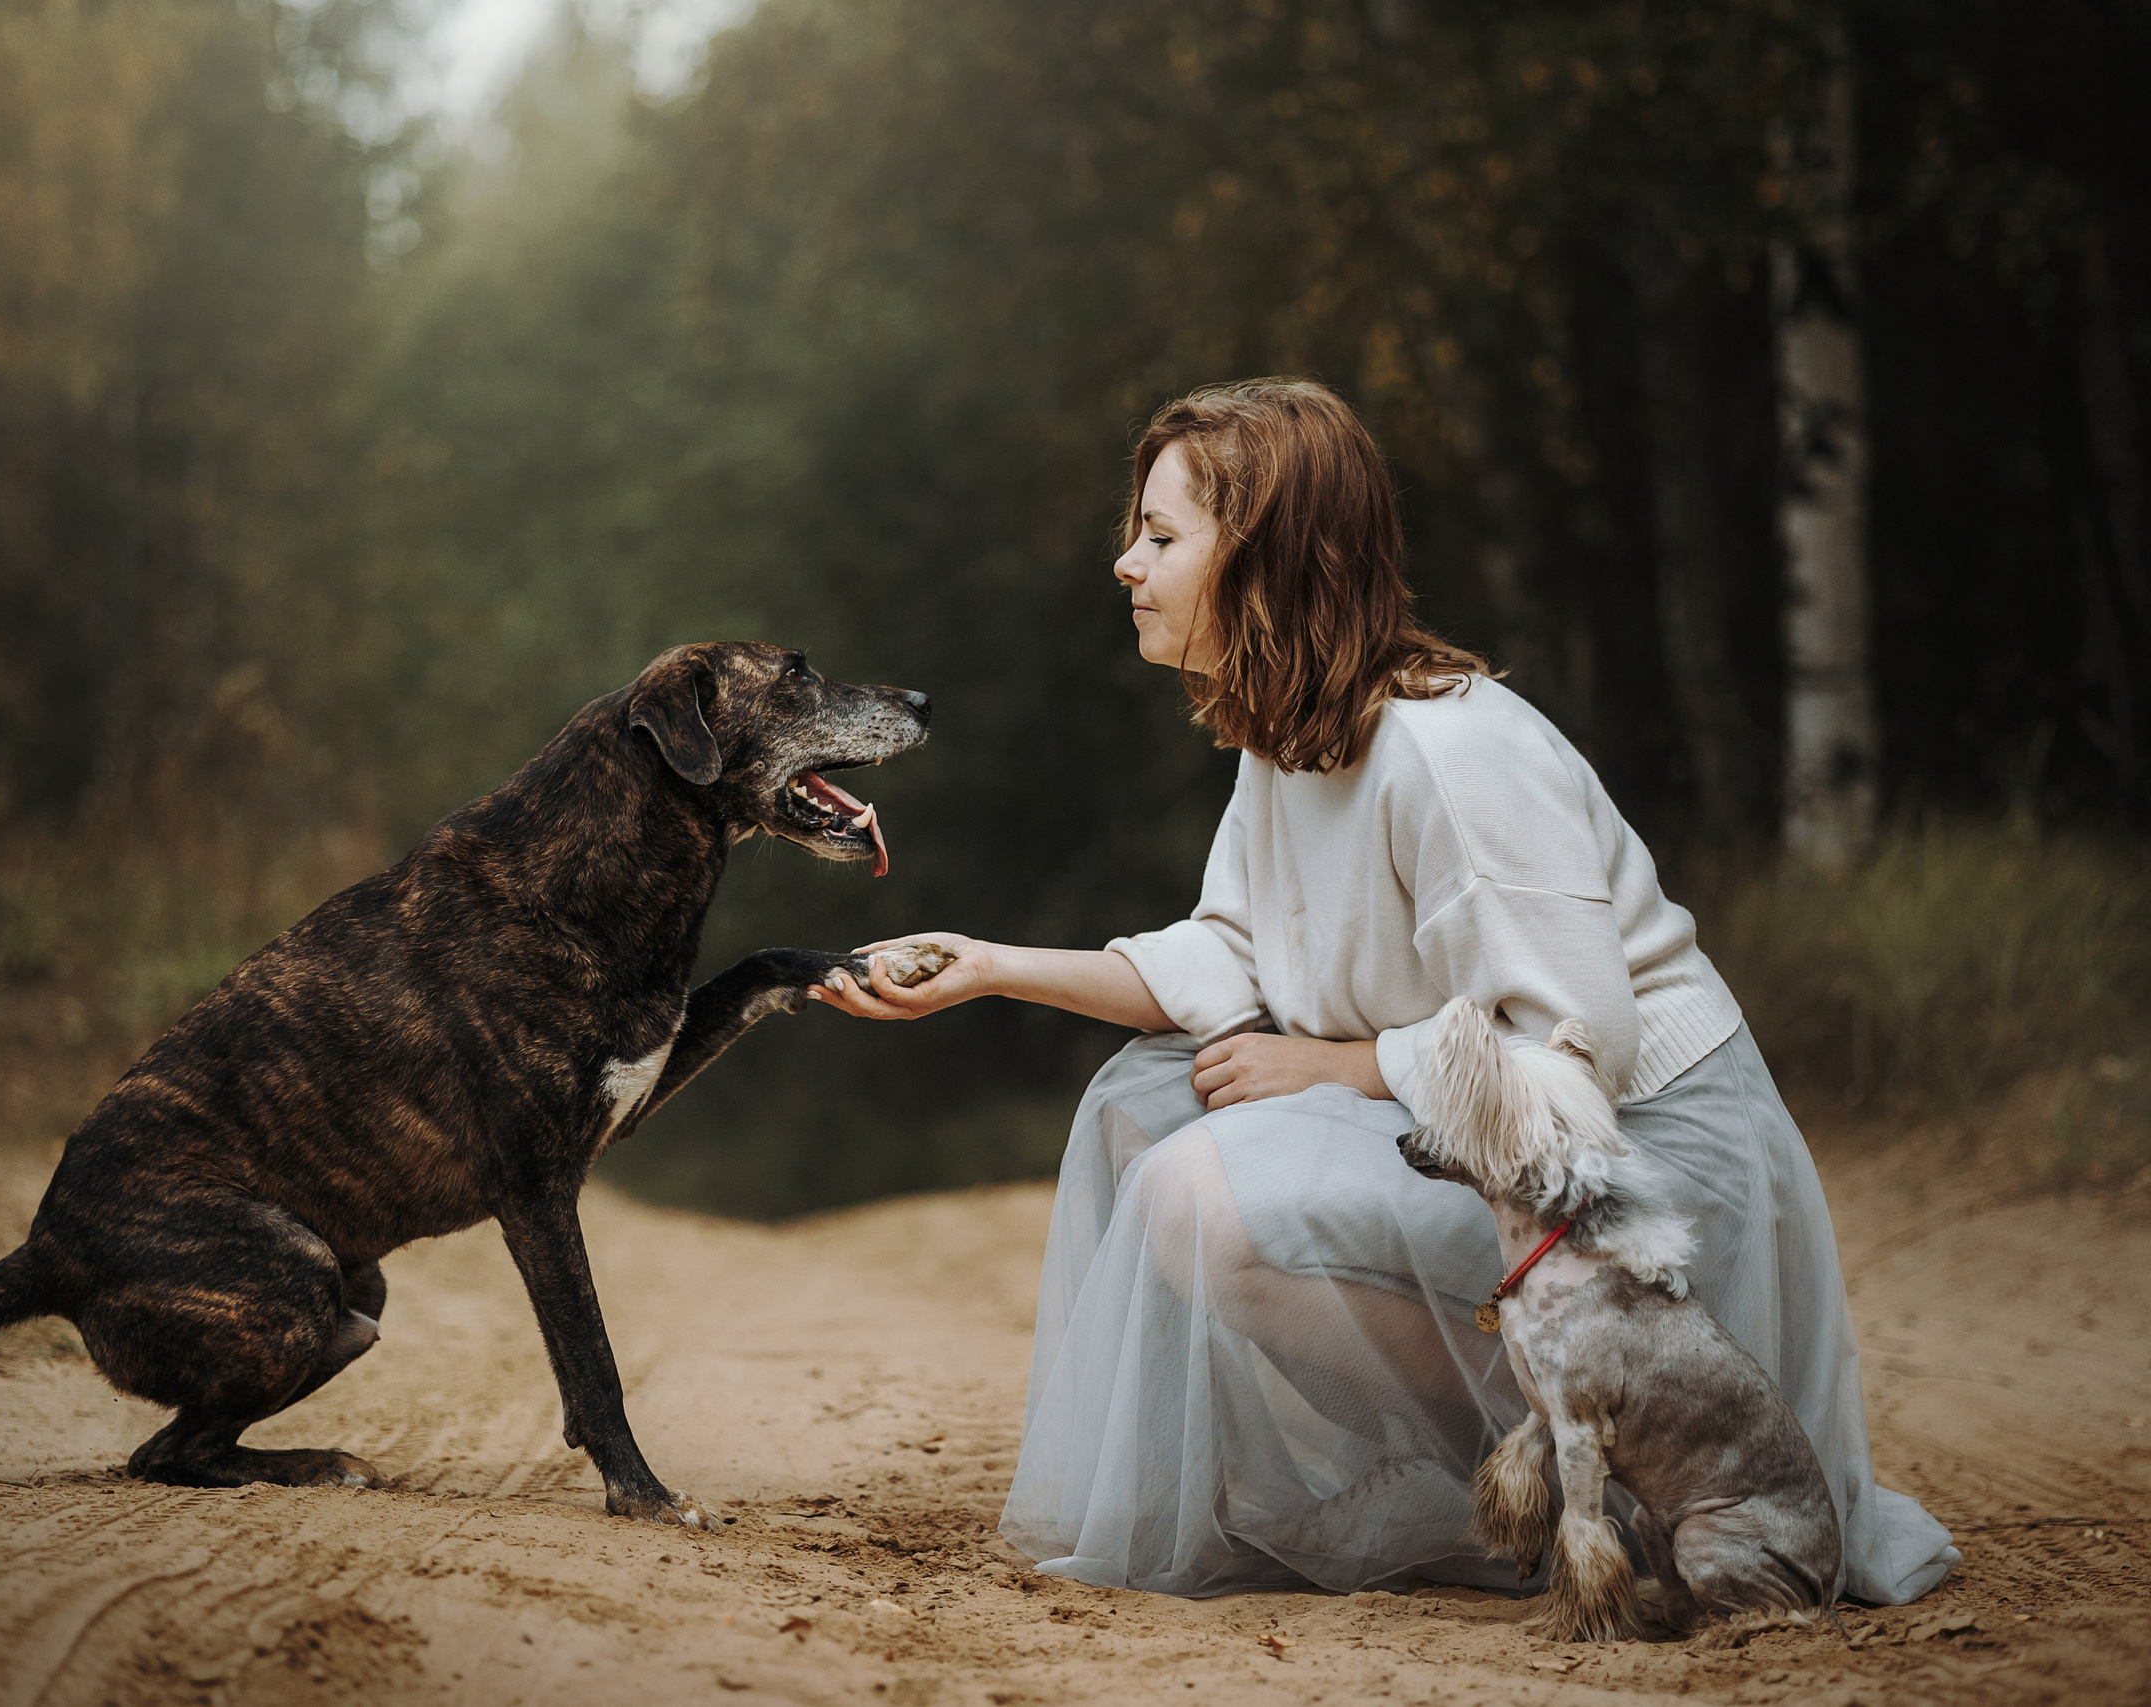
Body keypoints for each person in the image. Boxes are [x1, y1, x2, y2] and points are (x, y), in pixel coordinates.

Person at [804, 377, 1959, 1603]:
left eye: (1159, 535)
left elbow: (1577, 1056)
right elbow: (1230, 957)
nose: (1124, 566)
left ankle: (1630, 1478)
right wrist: (986, 969)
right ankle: (1473, 1475)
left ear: (1266, 556)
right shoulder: (1288, 735)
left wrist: (1340, 1069)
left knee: (1200, 1183)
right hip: (1495, 1141)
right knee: (1155, 1110)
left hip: (1643, 1176)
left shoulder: (1455, 751)